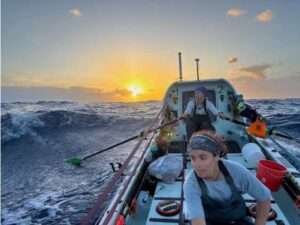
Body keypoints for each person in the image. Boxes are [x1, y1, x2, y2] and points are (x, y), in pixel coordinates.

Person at [184, 131, 271, 225]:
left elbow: (264, 197)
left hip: (238, 220)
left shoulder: (237, 172)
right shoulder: (191, 184)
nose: (197, 164)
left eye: (203, 157)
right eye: (193, 158)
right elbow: (198, 221)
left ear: (216, 155)